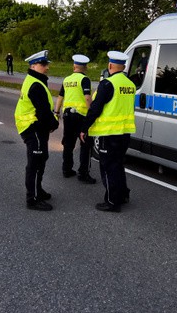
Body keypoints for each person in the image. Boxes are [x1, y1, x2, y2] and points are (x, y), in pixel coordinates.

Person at [80, 51, 136, 212]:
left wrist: (85, 128)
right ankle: (123, 194)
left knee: (108, 167)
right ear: (124, 67)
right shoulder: (130, 84)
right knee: (118, 165)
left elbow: (95, 109)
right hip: (125, 132)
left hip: (109, 133)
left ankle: (112, 201)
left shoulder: (107, 84)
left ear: (110, 65)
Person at [15, 50, 59, 211]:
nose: (47, 67)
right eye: (43, 64)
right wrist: (54, 123)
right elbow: (43, 112)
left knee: (42, 158)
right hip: (32, 126)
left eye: (46, 64)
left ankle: (37, 190)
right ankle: (32, 199)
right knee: (35, 162)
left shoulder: (36, 80)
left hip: (36, 126)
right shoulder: (35, 84)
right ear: (33, 66)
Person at [54, 54, 96, 183]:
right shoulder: (84, 79)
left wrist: (56, 112)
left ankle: (67, 169)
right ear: (85, 67)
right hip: (81, 116)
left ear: (74, 66)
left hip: (67, 115)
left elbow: (60, 97)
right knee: (85, 144)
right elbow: (87, 97)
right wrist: (92, 112)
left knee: (68, 143)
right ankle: (83, 174)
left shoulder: (67, 79)